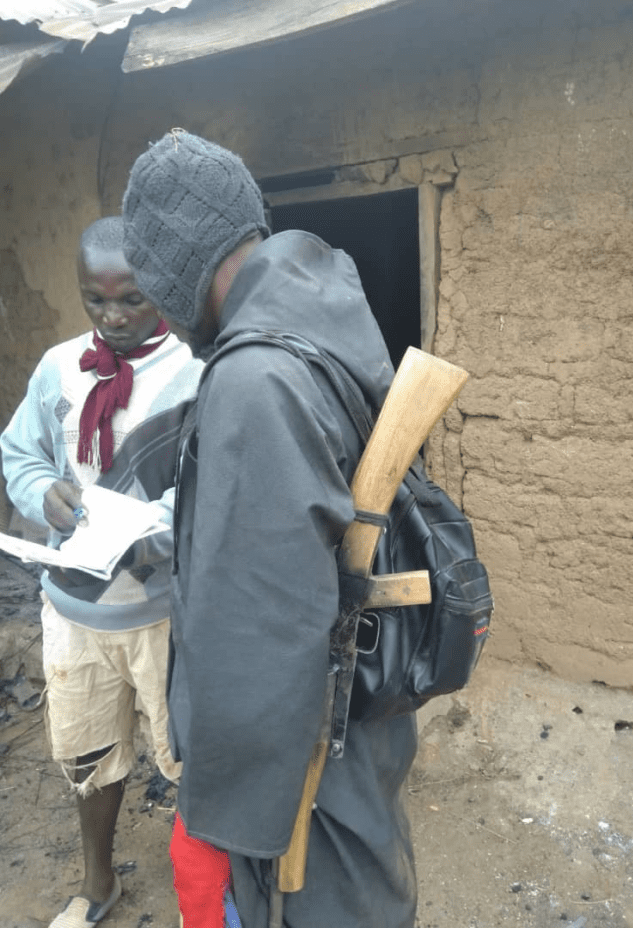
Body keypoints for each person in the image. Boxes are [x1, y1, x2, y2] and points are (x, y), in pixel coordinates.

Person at [121, 130, 418, 928]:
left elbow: (257, 638)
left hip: (294, 787)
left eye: (155, 291)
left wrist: (212, 829)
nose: (164, 318)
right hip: (355, 731)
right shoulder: (321, 309)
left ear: (183, 269)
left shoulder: (254, 382)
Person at [0, 216, 202, 928]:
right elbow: (21, 455)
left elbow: (215, 478)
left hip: (164, 612)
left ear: (163, 291)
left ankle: (201, 898)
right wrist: (40, 494)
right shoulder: (59, 368)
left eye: (132, 301)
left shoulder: (196, 370)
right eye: (95, 301)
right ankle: (97, 882)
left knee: (186, 758)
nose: (113, 319)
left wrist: (160, 523)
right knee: (88, 752)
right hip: (74, 608)